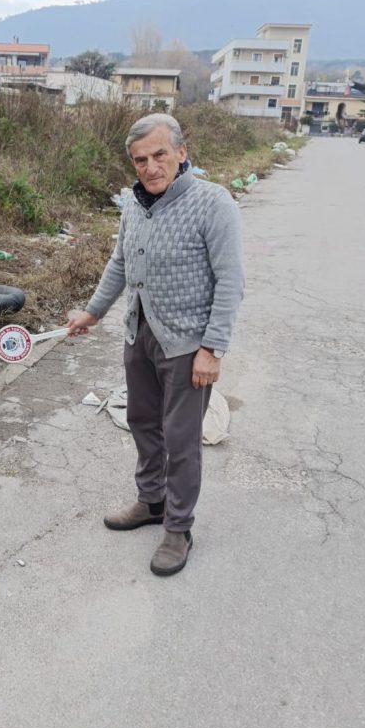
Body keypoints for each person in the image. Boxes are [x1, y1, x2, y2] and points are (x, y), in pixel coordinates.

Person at [67, 113, 244, 576]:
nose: (150, 167)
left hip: (188, 345)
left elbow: (230, 281)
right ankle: (152, 501)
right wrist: (94, 310)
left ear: (182, 153)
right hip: (140, 334)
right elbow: (120, 262)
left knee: (182, 440)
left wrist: (213, 349)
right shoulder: (133, 204)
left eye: (159, 155)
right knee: (143, 422)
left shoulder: (212, 203)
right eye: (140, 159)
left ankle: (179, 527)